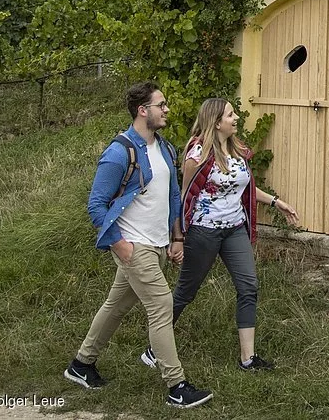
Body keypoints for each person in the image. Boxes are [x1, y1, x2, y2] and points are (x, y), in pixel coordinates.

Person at [64, 81, 214, 410]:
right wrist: (119, 245)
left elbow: (172, 196)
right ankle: (176, 385)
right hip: (135, 247)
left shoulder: (166, 148)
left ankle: (81, 364)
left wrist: (176, 237)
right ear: (142, 110)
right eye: (161, 104)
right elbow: (96, 205)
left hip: (158, 244)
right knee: (161, 306)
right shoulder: (120, 152)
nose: (167, 109)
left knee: (116, 305)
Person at [139, 97, 299, 374]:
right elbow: (183, 197)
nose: (236, 118)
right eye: (230, 115)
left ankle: (248, 359)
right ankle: (155, 348)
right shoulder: (196, 156)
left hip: (235, 228)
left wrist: (276, 202)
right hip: (204, 232)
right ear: (216, 122)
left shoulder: (236, 150)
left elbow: (244, 189)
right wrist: (178, 237)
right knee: (186, 292)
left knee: (248, 287)